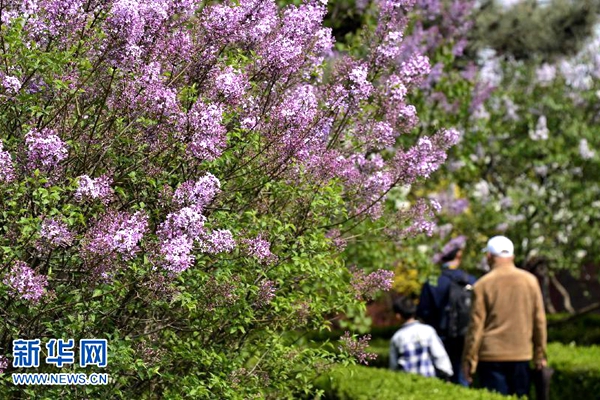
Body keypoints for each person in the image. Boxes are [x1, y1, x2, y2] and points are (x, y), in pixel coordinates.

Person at [462, 235, 547, 397]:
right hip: (521, 353)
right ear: (512, 256)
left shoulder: (482, 285)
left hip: (491, 356)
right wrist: (539, 354)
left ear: (489, 257)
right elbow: (539, 321)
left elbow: (475, 327)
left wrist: (469, 361)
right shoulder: (530, 281)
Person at [416, 235, 476, 386]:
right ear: (458, 255)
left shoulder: (433, 280)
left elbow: (423, 311)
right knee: (461, 375)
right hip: (464, 335)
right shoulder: (470, 280)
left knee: (440, 377)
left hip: (439, 335)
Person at [389, 296, 453, 379]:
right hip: (430, 380)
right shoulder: (428, 330)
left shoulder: (397, 337)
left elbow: (393, 366)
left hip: (407, 382)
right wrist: (447, 373)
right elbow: (439, 355)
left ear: (398, 315)